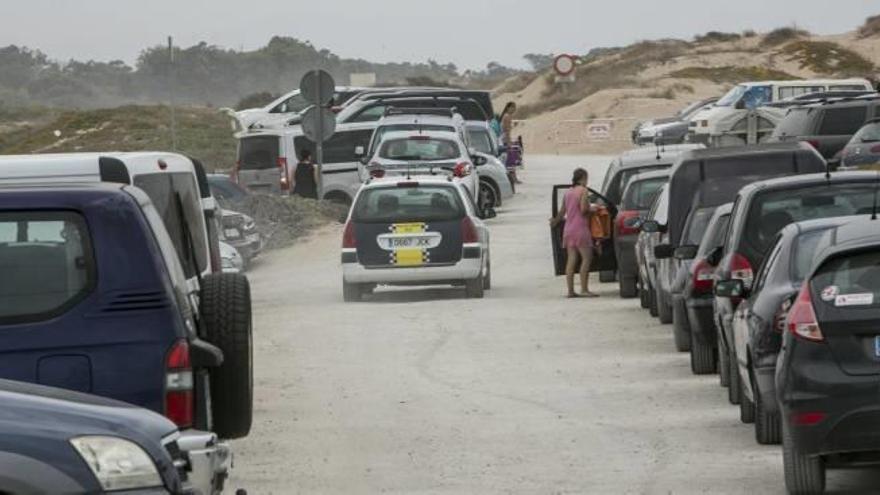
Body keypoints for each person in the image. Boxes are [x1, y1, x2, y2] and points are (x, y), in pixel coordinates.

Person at [550, 168, 599, 298]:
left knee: (571, 260)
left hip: (568, 229)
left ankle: (570, 291)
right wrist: (593, 209)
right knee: (586, 258)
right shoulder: (583, 191)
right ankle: (584, 289)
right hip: (581, 229)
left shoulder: (568, 192)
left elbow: (561, 212)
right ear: (583, 178)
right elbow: (583, 210)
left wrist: (554, 222)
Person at [499, 102, 522, 185]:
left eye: (514, 108)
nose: (514, 110)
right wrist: (509, 143)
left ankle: (513, 178)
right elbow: (507, 131)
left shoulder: (506, 116)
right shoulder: (507, 117)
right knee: (511, 160)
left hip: (504, 140)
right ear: (508, 107)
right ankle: (513, 178)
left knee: (509, 160)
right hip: (505, 140)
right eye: (512, 108)